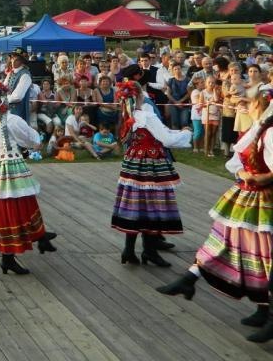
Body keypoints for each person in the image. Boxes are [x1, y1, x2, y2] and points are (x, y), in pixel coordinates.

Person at [156, 89, 273, 343]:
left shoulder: (270, 133)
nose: (247, 107)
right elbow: (236, 163)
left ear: (262, 107)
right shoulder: (257, 129)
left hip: (262, 200)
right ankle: (191, 279)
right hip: (246, 197)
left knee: (263, 255)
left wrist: (255, 178)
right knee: (227, 243)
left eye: (252, 104)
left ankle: (266, 311)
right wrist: (243, 175)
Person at [0, 81, 56, 275]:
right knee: (16, 205)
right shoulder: (12, 120)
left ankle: (38, 236)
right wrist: (34, 143)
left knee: (6, 206)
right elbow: (32, 140)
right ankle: (10, 256)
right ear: (5, 98)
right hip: (9, 164)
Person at [112, 81, 191, 267]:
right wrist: (186, 133)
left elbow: (160, 132)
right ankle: (149, 251)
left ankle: (129, 249)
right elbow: (166, 138)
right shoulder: (146, 115)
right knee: (152, 206)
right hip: (150, 163)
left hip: (133, 162)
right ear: (140, 96)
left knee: (136, 205)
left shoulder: (128, 115)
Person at [4, 48, 32, 123]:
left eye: (17, 59)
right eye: (12, 58)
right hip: (7, 111)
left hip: (18, 112)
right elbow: (3, 88)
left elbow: (18, 97)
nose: (13, 61)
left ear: (22, 61)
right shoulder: (10, 73)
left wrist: (4, 100)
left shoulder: (25, 75)